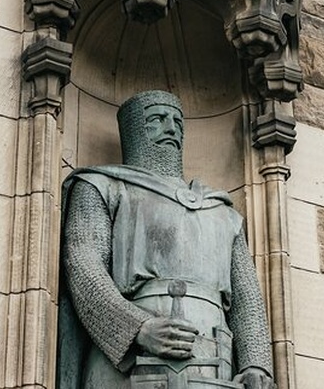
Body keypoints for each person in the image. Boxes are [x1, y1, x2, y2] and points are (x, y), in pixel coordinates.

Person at [58, 90, 274, 389]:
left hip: (214, 368)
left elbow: (247, 300)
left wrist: (256, 365)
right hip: (132, 366)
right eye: (157, 120)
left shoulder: (220, 211)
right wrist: (139, 328)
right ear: (134, 130)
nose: (171, 128)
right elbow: (83, 267)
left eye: (177, 122)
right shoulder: (102, 187)